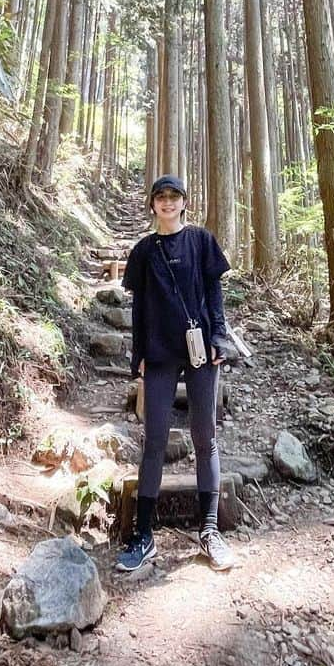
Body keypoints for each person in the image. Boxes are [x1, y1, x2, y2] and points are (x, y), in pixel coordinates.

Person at [116, 174, 235, 573]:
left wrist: (219, 336)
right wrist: (139, 357)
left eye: (174, 196)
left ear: (184, 202)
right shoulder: (144, 251)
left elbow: (214, 294)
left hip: (201, 351)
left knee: (206, 438)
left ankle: (210, 530)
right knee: (154, 441)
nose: (167, 203)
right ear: (152, 205)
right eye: (161, 197)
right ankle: (144, 534)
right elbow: (139, 308)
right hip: (160, 352)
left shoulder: (201, 241)